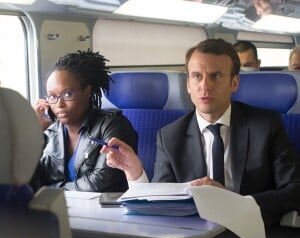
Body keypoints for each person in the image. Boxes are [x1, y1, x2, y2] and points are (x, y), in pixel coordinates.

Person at [101, 38, 300, 226]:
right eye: (197, 76)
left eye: (216, 76)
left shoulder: (266, 125)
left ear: (234, 83)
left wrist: (237, 203)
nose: (205, 85)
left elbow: (294, 190)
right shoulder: (170, 136)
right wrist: (135, 172)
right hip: (191, 235)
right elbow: (161, 202)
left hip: (251, 231)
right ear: (188, 84)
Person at [32, 49, 138, 192]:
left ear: (87, 91)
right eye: (52, 96)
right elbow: (30, 183)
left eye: (67, 94)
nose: (59, 104)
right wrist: (35, 136)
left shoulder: (113, 126)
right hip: (59, 209)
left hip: (102, 211)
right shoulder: (50, 132)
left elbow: (101, 183)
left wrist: (51, 191)